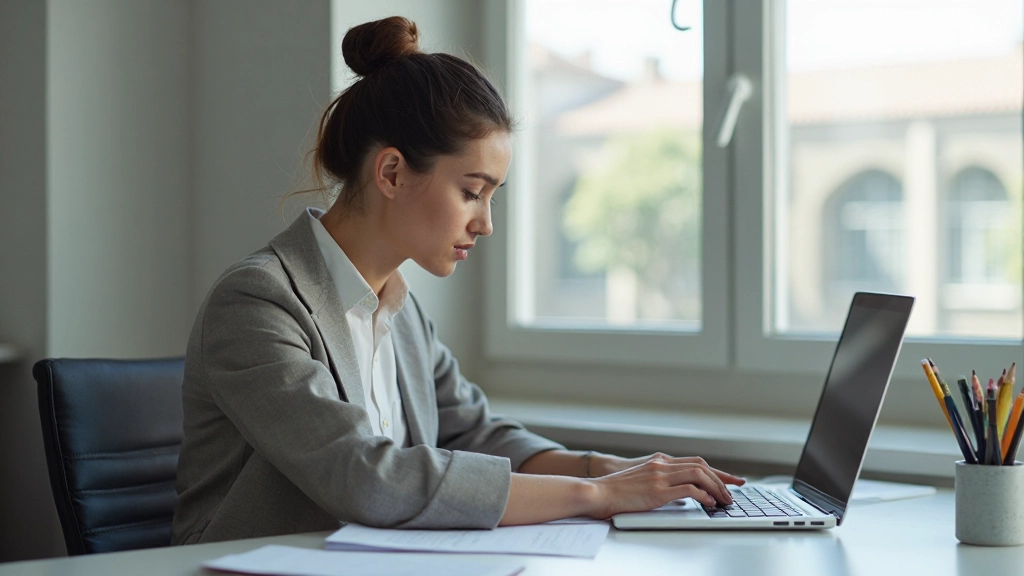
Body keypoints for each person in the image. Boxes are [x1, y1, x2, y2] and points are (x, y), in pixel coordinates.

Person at [171, 16, 744, 545]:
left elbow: (477, 435)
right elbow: (366, 476)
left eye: (492, 196)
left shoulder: (400, 310)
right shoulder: (258, 302)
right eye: (471, 192)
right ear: (392, 172)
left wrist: (608, 468)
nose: (486, 223)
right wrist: (597, 496)